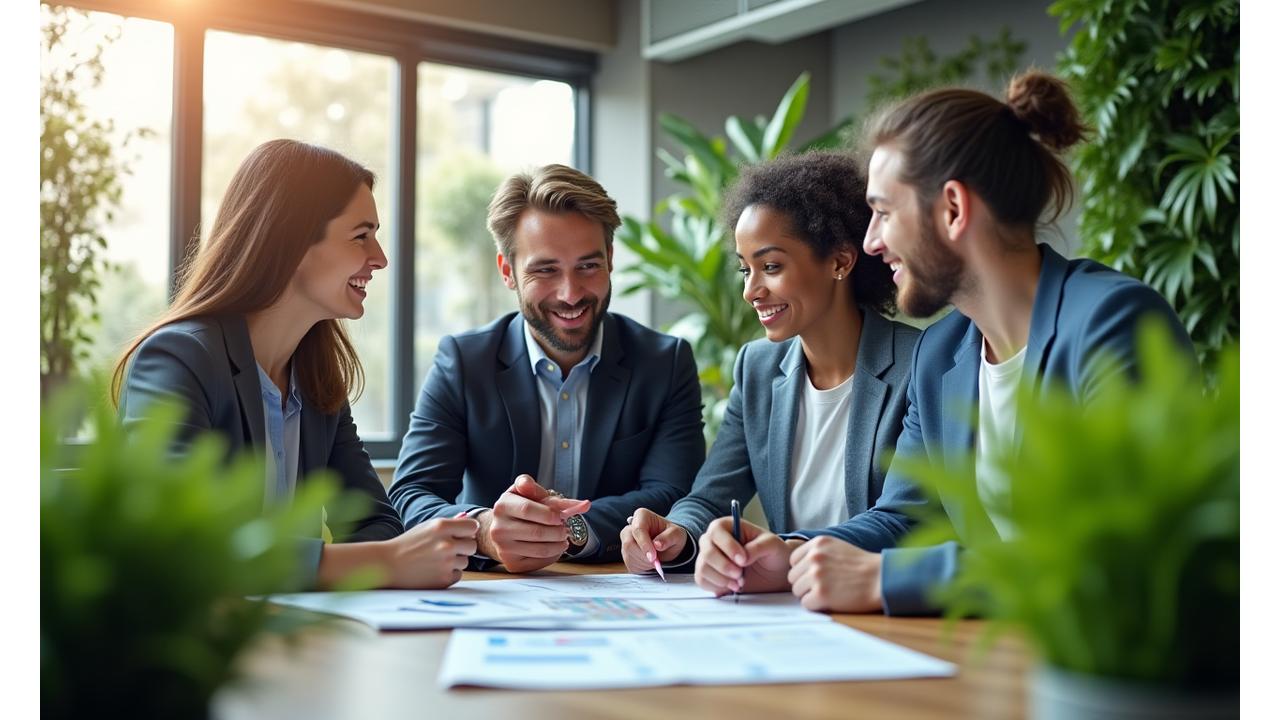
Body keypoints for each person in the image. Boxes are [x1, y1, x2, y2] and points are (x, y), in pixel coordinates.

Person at [692, 70, 1195, 614]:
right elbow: (903, 517)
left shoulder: (1113, 324)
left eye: (883, 212)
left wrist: (887, 579)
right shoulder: (941, 355)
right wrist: (793, 555)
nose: (870, 242)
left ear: (952, 208)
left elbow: (1108, 550)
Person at [115, 139, 477, 590]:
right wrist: (384, 562)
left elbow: (376, 522)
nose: (380, 258)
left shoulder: (317, 378)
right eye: (361, 236)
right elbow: (180, 547)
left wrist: (386, 554)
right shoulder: (177, 360)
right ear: (290, 239)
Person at [619, 151, 919, 581]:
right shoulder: (757, 368)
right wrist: (677, 533)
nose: (751, 291)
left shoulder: (917, 364)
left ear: (840, 261)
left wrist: (788, 550)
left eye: (771, 267)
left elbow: (903, 521)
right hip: (790, 609)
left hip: (877, 603)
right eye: (746, 270)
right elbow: (710, 498)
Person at [390, 164, 705, 572]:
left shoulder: (665, 362)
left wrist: (572, 529)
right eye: (545, 270)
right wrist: (485, 529)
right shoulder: (463, 362)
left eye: (588, 266)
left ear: (610, 260)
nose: (570, 293)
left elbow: (674, 492)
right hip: (496, 590)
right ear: (508, 272)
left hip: (617, 585)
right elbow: (412, 493)